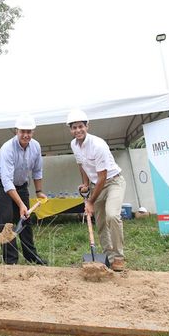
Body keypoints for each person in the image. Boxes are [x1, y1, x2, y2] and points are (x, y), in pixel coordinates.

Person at [66, 109, 127, 272]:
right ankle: (110, 257)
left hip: (113, 182)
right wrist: (85, 184)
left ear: (87, 126)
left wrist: (91, 201)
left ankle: (119, 257)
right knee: (100, 223)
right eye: (74, 127)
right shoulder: (74, 144)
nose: (77, 130)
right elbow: (82, 164)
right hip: (95, 184)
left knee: (112, 215)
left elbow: (102, 176)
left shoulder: (98, 145)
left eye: (80, 126)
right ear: (70, 130)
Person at [0, 114, 48, 265]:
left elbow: (37, 171)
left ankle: (31, 256)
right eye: (23, 131)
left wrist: (39, 191)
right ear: (16, 131)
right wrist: (21, 204)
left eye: (29, 131)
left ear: (33, 132)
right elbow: (7, 182)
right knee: (8, 217)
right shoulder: (7, 149)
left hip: (21, 185)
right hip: (1, 184)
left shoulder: (36, 146)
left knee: (25, 219)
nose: (26, 135)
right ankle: (10, 260)